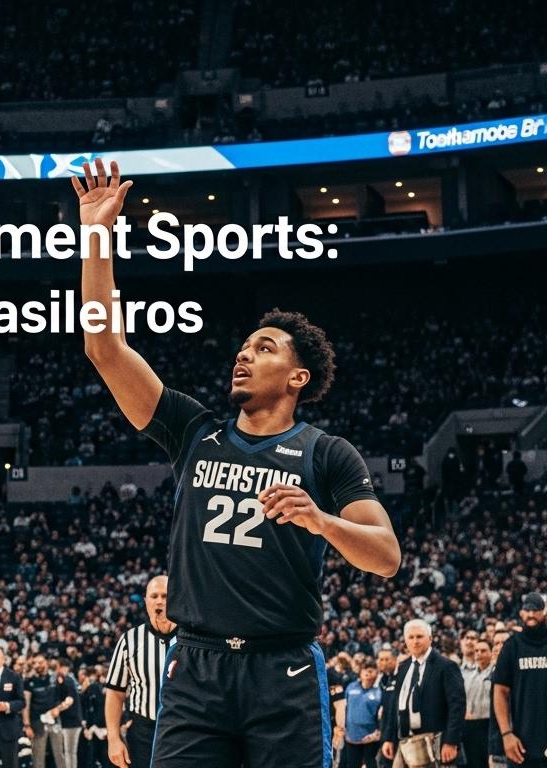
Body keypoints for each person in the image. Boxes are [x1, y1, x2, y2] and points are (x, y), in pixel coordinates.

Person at [73, 159, 400, 768]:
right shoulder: (194, 430)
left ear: (298, 377)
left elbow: (386, 556)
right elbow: (104, 346)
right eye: (244, 346)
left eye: (264, 348)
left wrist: (322, 521)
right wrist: (96, 236)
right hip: (196, 668)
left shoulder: (326, 453)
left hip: (285, 670)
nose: (243, 356)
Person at [104, 575, 175, 768]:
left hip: (183, 730)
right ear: (146, 602)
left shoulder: (191, 639)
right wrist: (113, 739)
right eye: (154, 596)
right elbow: (115, 693)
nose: (160, 600)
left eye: (166, 595)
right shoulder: (129, 640)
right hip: (143, 731)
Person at [380, 620, 465, 767]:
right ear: (405, 641)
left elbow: (457, 706)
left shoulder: (446, 666)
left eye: (419, 636)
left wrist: (451, 741)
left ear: (430, 639)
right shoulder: (402, 667)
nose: (415, 641)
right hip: (404, 741)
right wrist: (388, 738)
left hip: (436, 741)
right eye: (411, 637)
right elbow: (395, 706)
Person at [492, 593, 547, 768]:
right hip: (520, 745)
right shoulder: (511, 646)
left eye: (536, 610)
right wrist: (506, 734)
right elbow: (500, 692)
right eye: (527, 610)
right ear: (521, 613)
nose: (531, 615)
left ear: (543, 612)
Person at [24, 656, 72, 768]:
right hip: (37, 722)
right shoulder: (29, 681)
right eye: (35, 663)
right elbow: (25, 705)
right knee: (38, 757)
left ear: (47, 662)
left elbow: (69, 698)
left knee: (60, 755)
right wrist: (27, 725)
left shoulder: (56, 678)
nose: (38, 665)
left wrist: (59, 709)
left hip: (55, 721)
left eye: (41, 662)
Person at [339, 666, 383, 768]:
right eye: (365, 671)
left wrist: (378, 731)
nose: (367, 673)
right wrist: (342, 725)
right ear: (360, 673)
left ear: (376, 674)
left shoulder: (379, 691)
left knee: (371, 763)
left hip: (371, 735)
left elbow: (381, 714)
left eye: (371, 671)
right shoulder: (351, 687)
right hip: (352, 735)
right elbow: (345, 707)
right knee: (352, 764)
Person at [462, 638, 494, 768]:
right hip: (470, 725)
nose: (479, 653)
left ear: (491, 653)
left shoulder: (496, 673)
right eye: (476, 651)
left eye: (483, 650)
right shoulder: (467, 676)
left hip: (489, 724)